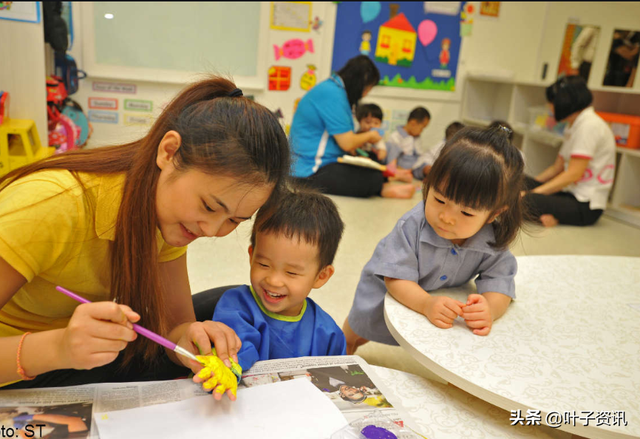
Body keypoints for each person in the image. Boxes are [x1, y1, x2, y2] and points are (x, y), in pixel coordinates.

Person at [0, 76, 291, 399]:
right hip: (19, 373)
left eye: (234, 220)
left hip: (74, 354)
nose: (211, 230)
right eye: (209, 206)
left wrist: (190, 339)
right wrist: (59, 347)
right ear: (169, 152)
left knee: (227, 306)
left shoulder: (164, 215)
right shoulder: (50, 204)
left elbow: (175, 330)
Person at [343, 126, 524, 354]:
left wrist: (490, 307)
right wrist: (426, 304)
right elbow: (394, 278)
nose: (446, 218)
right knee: (361, 325)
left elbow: (500, 281)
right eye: (439, 199)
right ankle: (346, 342)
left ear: (494, 214)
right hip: (384, 290)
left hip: (435, 295)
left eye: (466, 213)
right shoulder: (412, 225)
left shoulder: (493, 239)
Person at [206, 185, 347, 373]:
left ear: (321, 276)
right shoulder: (236, 307)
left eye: (291, 273)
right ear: (252, 255)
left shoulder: (328, 333)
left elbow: (338, 378)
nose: (273, 281)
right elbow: (234, 353)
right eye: (264, 265)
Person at [289, 55, 416, 199]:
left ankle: (386, 180)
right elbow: (347, 142)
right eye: (367, 88)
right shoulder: (333, 94)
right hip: (308, 170)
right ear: (360, 83)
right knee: (372, 177)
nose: (366, 94)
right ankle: (383, 187)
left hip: (317, 164)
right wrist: (370, 135)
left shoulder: (334, 90)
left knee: (371, 161)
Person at [523, 76, 616, 227]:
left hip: (585, 206)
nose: (549, 107)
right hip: (568, 194)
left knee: (522, 201)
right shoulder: (573, 125)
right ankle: (551, 216)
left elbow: (573, 174)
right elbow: (556, 168)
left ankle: (553, 216)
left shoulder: (589, 126)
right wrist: (529, 187)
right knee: (516, 183)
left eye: (551, 103)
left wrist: (532, 194)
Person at [386, 107, 432, 180]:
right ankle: (402, 175)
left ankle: (431, 177)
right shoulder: (396, 136)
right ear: (413, 123)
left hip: (415, 166)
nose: (422, 131)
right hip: (401, 166)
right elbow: (392, 157)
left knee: (428, 168)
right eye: (422, 128)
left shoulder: (417, 138)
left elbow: (419, 156)